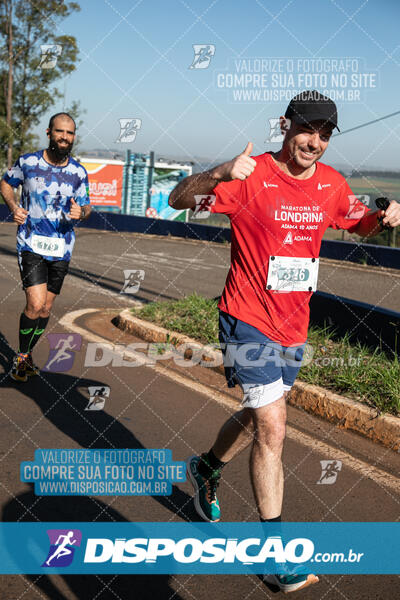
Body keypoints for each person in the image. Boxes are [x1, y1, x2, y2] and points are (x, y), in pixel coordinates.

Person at [169, 90, 400, 593]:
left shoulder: (332, 184)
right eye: (307, 129)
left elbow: (355, 220)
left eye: (325, 134)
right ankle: (274, 556)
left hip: (294, 326)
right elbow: (177, 198)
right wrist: (220, 173)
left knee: (258, 417)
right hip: (245, 318)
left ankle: (206, 466)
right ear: (285, 124)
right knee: (273, 427)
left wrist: (383, 220)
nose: (314, 141)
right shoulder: (249, 178)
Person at [0, 112, 91, 382]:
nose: (65, 137)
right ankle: (21, 359)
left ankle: (25, 355)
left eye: (70, 133)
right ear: (48, 132)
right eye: (60, 131)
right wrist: (14, 207)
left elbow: (87, 206)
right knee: (35, 303)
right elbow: (6, 183)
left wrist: (81, 213)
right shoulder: (28, 162)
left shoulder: (78, 172)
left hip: (62, 247)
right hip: (31, 243)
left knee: (45, 310)